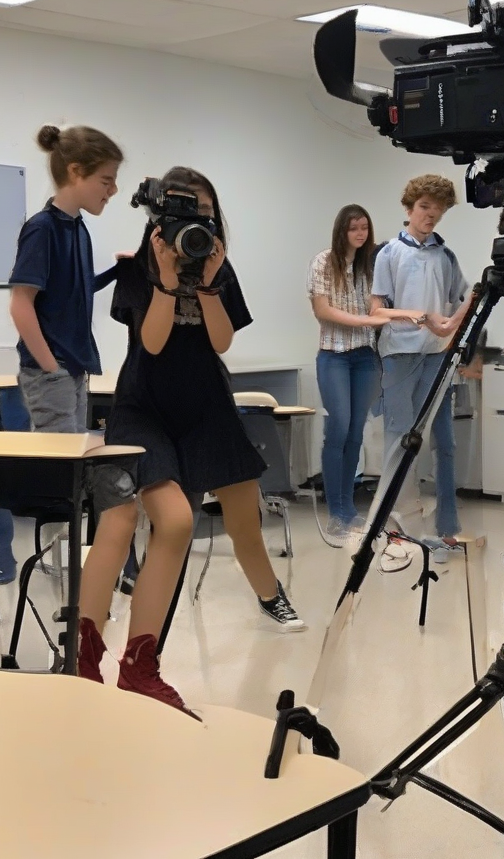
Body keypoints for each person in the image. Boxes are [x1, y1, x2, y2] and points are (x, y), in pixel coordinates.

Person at [78, 166, 304, 711]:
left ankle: (266, 596)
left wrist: (204, 285)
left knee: (244, 519)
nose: (193, 223)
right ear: (159, 216)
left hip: (206, 409)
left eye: (202, 211)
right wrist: (163, 277)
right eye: (182, 210)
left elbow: (222, 342)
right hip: (144, 410)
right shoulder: (138, 270)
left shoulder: (219, 268)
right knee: (172, 519)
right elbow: (152, 344)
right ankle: (91, 655)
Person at [371, 174, 471, 558]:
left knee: (444, 440)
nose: (432, 215)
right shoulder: (390, 254)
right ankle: (393, 527)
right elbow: (376, 309)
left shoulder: (445, 256)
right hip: (399, 353)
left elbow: (462, 300)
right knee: (401, 439)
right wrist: (418, 315)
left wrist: (453, 321)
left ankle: (448, 529)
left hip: (437, 356)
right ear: (410, 208)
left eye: (439, 209)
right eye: (426, 207)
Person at [9, 124, 123, 432]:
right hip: (52, 370)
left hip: (72, 367)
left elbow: (78, 290)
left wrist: (118, 272)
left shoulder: (78, 228)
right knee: (58, 464)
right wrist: (51, 368)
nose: (113, 190)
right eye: (106, 180)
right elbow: (21, 304)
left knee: (72, 455)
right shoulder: (42, 229)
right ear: (75, 171)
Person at [307, 205, 394, 542]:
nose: (359, 234)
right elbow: (323, 310)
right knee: (338, 429)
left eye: (364, 228)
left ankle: (349, 510)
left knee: (356, 433)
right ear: (341, 230)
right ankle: (336, 510)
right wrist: (367, 321)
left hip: (365, 359)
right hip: (334, 357)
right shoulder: (323, 262)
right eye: (353, 228)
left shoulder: (371, 265)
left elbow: (380, 305)